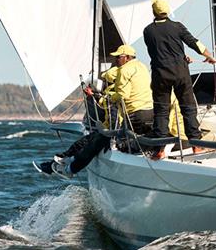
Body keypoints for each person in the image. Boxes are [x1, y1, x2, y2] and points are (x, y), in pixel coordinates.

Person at [34, 44, 155, 178]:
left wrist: (101, 97)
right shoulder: (142, 68)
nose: (116, 61)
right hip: (148, 112)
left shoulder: (124, 71)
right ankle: (62, 162)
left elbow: (121, 96)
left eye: (118, 58)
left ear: (126, 57)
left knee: (95, 141)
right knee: (92, 139)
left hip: (130, 117)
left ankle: (68, 166)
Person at [143, 0, 215, 159]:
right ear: (167, 11)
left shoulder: (148, 30)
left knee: (161, 112)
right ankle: (196, 146)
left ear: (154, 12)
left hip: (160, 75)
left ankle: (159, 150)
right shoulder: (177, 27)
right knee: (188, 108)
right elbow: (194, 43)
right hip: (180, 73)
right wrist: (208, 55)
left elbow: (156, 50)